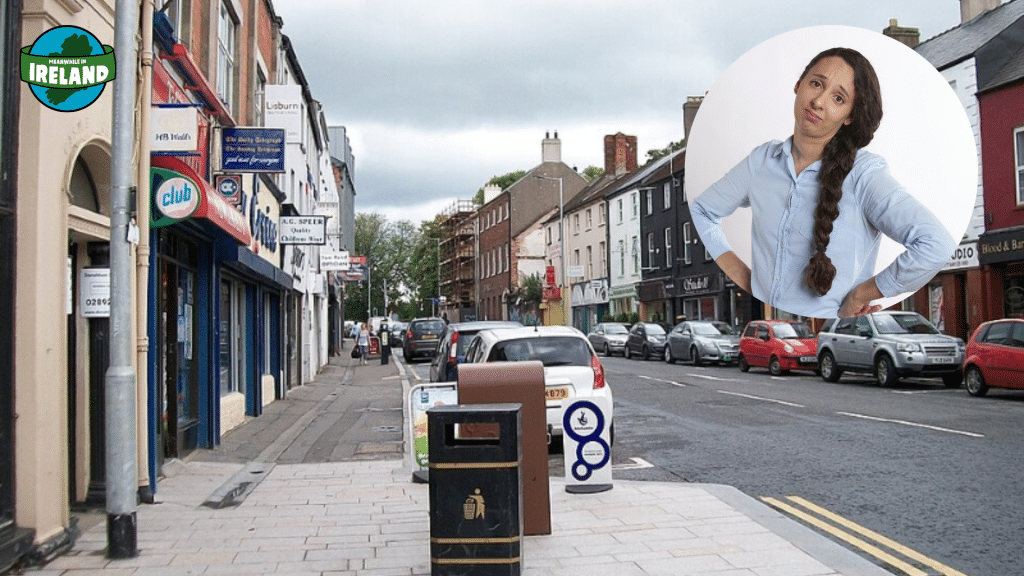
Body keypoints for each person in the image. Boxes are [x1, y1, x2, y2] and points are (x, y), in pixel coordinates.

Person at [691, 47, 955, 319]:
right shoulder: (761, 162)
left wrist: (860, 295)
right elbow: (701, 211)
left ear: (849, 116)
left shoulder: (864, 175)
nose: (818, 101)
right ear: (798, 84)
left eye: (838, 98)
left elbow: (935, 244)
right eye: (816, 83)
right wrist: (743, 277)